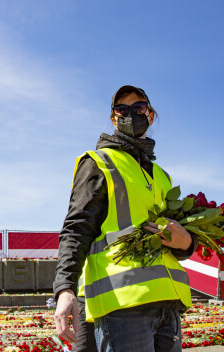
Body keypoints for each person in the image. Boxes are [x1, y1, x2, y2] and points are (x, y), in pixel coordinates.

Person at [53, 85, 196, 352]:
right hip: (123, 303)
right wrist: (65, 289)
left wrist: (187, 241)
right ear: (113, 118)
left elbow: (175, 235)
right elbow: (76, 229)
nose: (130, 114)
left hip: (168, 303)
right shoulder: (99, 162)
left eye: (138, 108)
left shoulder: (162, 176)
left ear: (151, 116)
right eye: (122, 109)